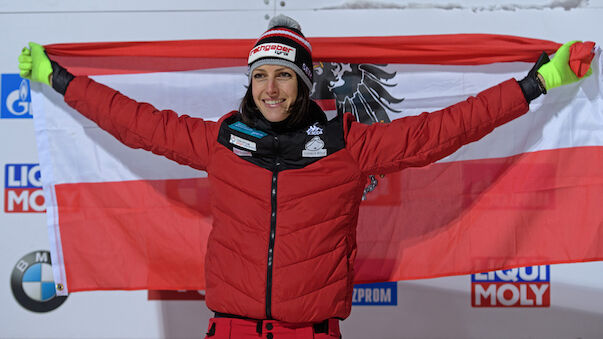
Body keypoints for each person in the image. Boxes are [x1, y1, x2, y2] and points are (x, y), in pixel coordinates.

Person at [18, 15, 592, 339]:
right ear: (249, 83)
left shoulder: (349, 144)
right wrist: (61, 80)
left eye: (284, 76)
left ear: (304, 83)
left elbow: (446, 129)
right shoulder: (221, 143)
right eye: (261, 75)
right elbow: (137, 123)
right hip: (231, 333)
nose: (271, 88)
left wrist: (537, 83)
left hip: (312, 334)